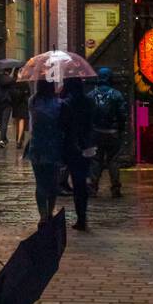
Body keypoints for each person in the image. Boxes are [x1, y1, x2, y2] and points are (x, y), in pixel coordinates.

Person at [59, 76, 97, 232]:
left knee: (75, 180)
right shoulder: (89, 101)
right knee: (81, 182)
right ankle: (83, 215)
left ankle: (81, 216)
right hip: (86, 146)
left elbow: (62, 125)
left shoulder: (66, 104)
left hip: (71, 148)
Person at [25, 78, 63, 222]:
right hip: (54, 146)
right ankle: (50, 212)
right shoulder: (59, 104)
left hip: (36, 146)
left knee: (40, 182)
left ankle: (42, 216)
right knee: (53, 182)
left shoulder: (33, 102)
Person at [88, 66, 128, 198]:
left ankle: (93, 188)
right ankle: (115, 188)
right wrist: (120, 129)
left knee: (95, 160)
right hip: (112, 133)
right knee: (113, 161)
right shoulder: (116, 94)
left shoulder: (91, 95)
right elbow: (122, 115)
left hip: (95, 132)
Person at [10, 74, 31, 150]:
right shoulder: (24, 83)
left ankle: (19, 140)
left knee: (19, 123)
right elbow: (28, 94)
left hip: (17, 105)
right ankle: (19, 140)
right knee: (20, 123)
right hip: (21, 105)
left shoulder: (14, 83)